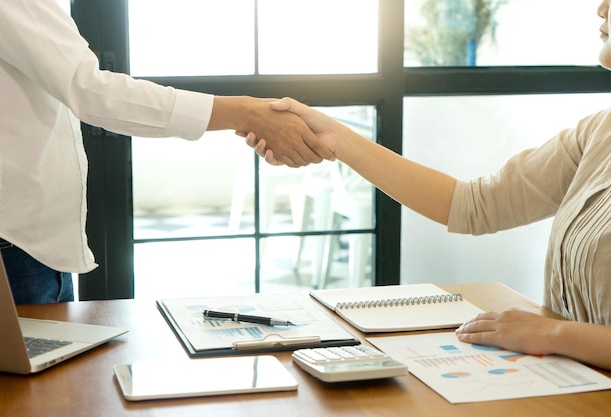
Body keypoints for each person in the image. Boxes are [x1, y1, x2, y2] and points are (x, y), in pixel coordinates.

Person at [247, 1, 611, 371]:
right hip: (574, 380)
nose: (601, 8)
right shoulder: (599, 132)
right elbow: (474, 204)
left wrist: (552, 335)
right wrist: (335, 138)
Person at [0, 0, 334, 305]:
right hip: (13, 244)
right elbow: (89, 89)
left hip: (21, 241)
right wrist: (243, 111)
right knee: (22, 380)